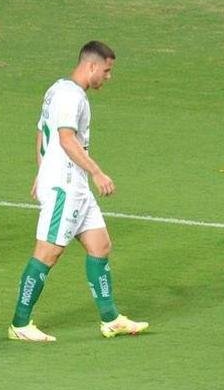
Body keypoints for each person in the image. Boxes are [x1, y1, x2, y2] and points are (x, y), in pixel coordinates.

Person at [8, 41, 148, 342]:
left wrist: (41, 169)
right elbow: (66, 139)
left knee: (101, 245)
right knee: (48, 252)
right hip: (65, 187)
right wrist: (97, 172)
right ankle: (20, 323)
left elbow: (40, 131)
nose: (108, 78)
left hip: (74, 186)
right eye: (107, 71)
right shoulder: (72, 97)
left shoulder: (57, 89)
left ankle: (110, 319)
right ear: (92, 66)